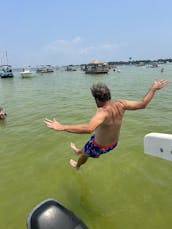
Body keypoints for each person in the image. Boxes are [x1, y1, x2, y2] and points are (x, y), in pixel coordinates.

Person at [44, 79, 169, 170]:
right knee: (92, 139)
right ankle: (79, 151)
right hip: (113, 144)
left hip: (100, 147)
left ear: (97, 99)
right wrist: (153, 88)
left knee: (86, 153)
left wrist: (62, 127)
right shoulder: (121, 104)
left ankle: (77, 165)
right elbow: (143, 104)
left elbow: (88, 128)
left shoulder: (102, 112)